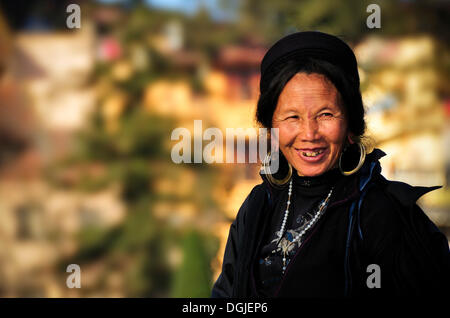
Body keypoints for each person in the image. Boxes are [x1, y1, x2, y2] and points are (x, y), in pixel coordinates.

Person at [211, 31, 450, 297]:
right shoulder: (257, 206)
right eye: (292, 117)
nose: (310, 134)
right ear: (271, 129)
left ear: (350, 123)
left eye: (325, 114)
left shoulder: (381, 213)